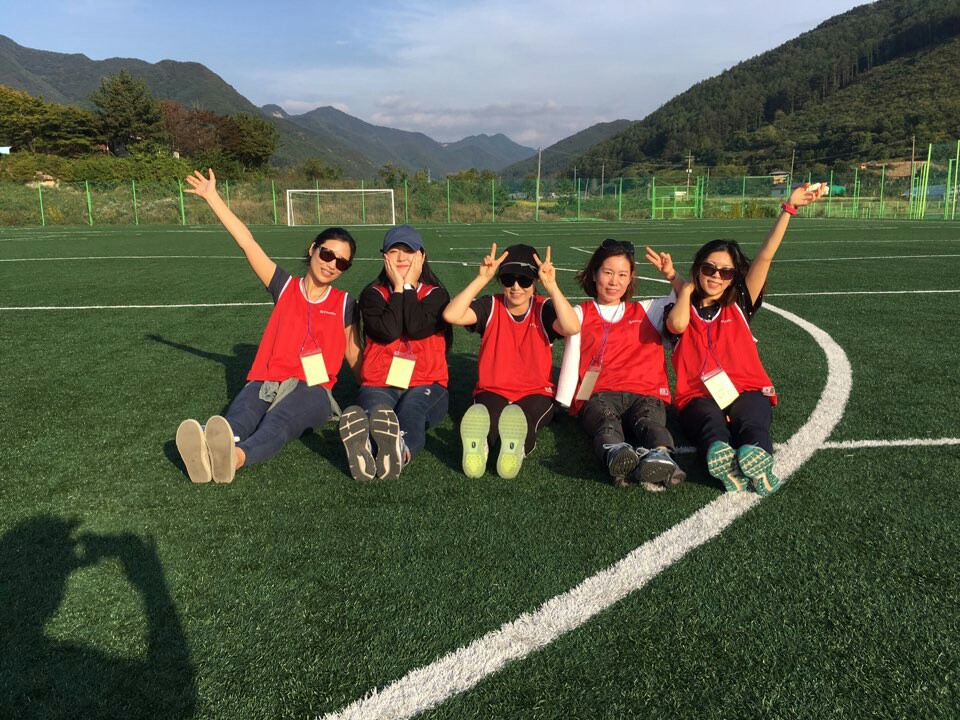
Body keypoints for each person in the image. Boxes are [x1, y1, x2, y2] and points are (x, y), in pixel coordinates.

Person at [174, 169, 361, 484]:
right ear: (313, 249)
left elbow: (355, 357)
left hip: (313, 390)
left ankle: (233, 458)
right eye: (328, 253)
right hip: (267, 380)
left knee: (277, 424)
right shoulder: (284, 286)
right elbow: (248, 243)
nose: (331, 264)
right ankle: (209, 451)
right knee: (237, 421)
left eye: (341, 262)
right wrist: (212, 197)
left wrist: (378, 399)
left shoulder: (345, 304)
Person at [652, 183, 827, 495]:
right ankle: (722, 458)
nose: (716, 276)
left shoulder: (740, 304)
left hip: (746, 387)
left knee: (753, 421)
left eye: (726, 272)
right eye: (709, 268)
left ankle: (757, 456)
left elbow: (765, 256)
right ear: (698, 269)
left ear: (734, 277)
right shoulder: (678, 307)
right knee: (710, 426)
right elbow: (677, 326)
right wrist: (682, 287)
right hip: (697, 395)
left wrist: (788, 209)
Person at [443, 243, 580, 479]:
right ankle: (481, 448)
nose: (516, 287)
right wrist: (481, 279)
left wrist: (552, 286)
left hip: (536, 392)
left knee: (524, 420)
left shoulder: (543, 308)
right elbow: (451, 315)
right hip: (493, 389)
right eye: (508, 279)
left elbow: (572, 327)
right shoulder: (490, 305)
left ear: (535, 282)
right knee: (487, 420)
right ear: (501, 281)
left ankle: (515, 450)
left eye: (525, 280)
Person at [556, 239, 685, 488]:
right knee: (605, 423)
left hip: (645, 392)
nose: (614, 281)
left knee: (649, 423)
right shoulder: (581, 313)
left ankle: (662, 455)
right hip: (599, 393)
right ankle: (616, 455)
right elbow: (563, 323)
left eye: (622, 274)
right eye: (608, 272)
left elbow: (685, 298)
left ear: (630, 278)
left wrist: (671, 275)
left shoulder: (648, 310)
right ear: (594, 274)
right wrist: (551, 285)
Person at [338, 225, 451, 481]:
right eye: (393, 251)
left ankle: (400, 450)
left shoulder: (437, 295)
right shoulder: (373, 294)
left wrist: (407, 287)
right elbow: (388, 331)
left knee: (412, 413)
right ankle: (367, 449)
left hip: (426, 382)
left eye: (408, 251)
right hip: (381, 381)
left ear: (421, 256)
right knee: (374, 415)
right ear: (384, 256)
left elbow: (416, 326)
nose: (401, 257)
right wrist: (399, 288)